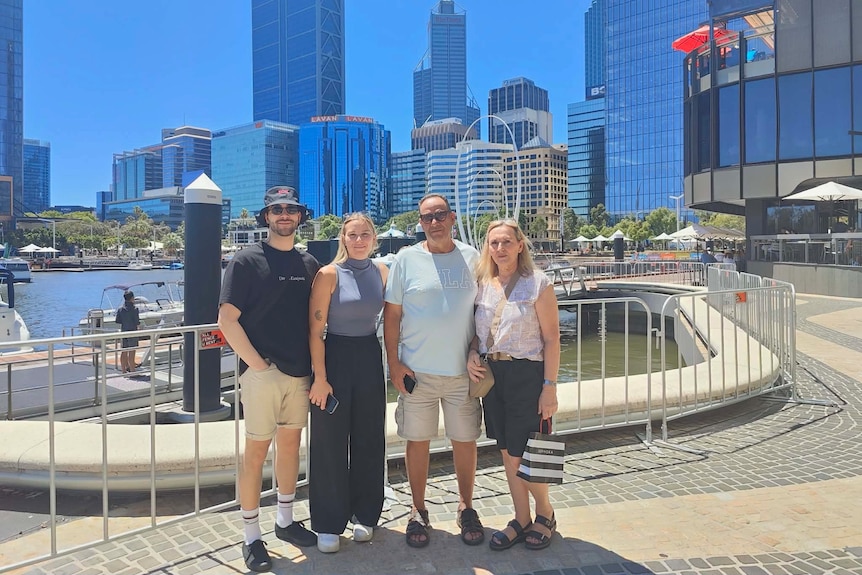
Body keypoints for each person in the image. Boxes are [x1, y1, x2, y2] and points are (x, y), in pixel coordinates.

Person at [218, 186, 320, 573]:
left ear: (299, 216)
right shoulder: (245, 261)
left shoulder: (309, 263)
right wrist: (257, 365)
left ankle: (285, 520)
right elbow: (226, 319)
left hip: (300, 372)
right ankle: (250, 535)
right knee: (255, 453)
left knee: (291, 448)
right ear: (266, 217)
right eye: (276, 209)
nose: (283, 215)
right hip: (262, 373)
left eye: (290, 209)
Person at [383, 193, 484, 548]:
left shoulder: (473, 258)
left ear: (453, 217)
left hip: (461, 372)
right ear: (420, 223)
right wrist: (394, 364)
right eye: (427, 217)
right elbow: (391, 315)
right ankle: (418, 509)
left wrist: (476, 349)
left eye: (440, 214)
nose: (434, 222)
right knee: (417, 442)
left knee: (465, 441)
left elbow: (482, 313)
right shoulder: (406, 260)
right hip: (417, 373)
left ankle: (466, 506)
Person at [466, 220, 560, 551]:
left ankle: (545, 513)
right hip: (494, 374)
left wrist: (550, 386)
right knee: (507, 450)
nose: (500, 248)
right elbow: (478, 333)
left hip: (527, 373)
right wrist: (472, 353)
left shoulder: (538, 283)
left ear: (520, 245)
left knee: (526, 451)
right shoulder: (482, 283)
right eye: (494, 243)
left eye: (506, 242)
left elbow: (552, 337)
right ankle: (521, 517)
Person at [307, 213, 389, 553]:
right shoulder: (328, 275)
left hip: (370, 354)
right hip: (335, 356)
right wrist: (321, 379)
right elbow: (315, 331)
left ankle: (366, 514)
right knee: (329, 441)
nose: (358, 240)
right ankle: (328, 521)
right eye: (352, 235)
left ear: (374, 238)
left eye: (364, 234)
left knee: (369, 437)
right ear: (343, 238)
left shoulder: (382, 272)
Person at [115, 290, 140, 373]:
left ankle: (123, 370)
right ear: (132, 298)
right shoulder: (135, 309)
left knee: (124, 351)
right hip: (132, 331)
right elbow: (137, 322)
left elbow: (118, 320)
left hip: (124, 331)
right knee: (132, 351)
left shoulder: (120, 309)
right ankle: (132, 370)